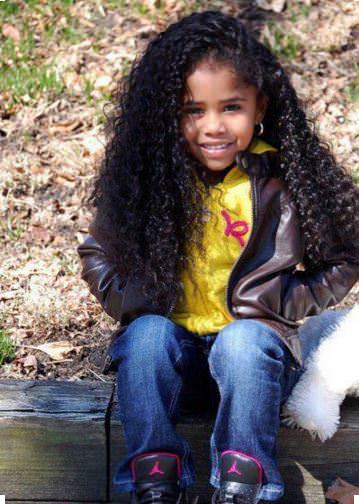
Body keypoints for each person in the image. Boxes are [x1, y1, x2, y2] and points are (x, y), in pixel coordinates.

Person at [77, 10, 359, 504]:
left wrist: (283, 302)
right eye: (193, 110)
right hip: (176, 364)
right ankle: (155, 475)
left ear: (260, 105)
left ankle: (242, 482)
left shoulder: (280, 180)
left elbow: (345, 255)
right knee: (144, 337)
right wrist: (138, 300)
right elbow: (97, 253)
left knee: (244, 341)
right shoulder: (155, 177)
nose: (213, 126)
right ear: (171, 112)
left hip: (256, 367)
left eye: (231, 107)